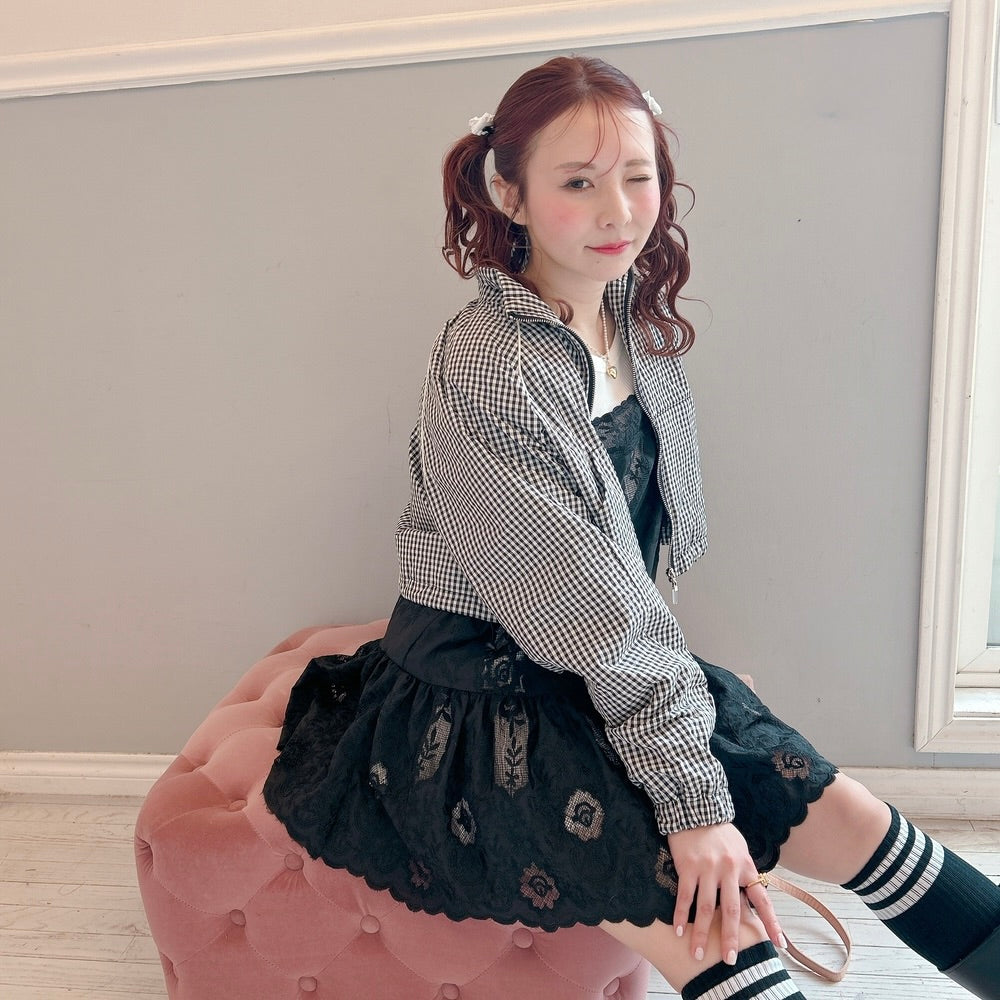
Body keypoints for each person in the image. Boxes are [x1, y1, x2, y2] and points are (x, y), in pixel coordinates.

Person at [263, 55, 1000, 999]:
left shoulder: (629, 319)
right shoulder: (492, 364)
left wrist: (682, 743)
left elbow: (631, 594)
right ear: (510, 193)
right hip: (481, 702)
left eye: (638, 176)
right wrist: (694, 806)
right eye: (578, 183)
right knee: (719, 933)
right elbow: (594, 617)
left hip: (604, 673)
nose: (618, 211)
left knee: (860, 822)